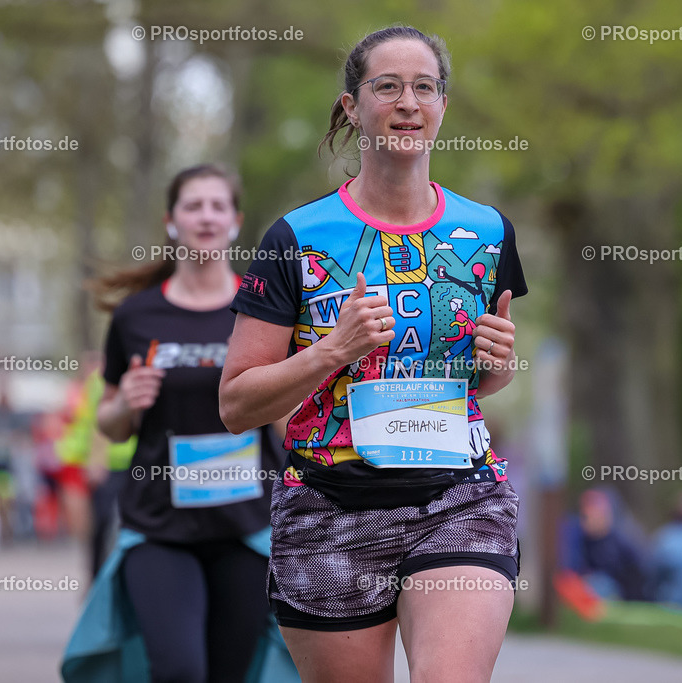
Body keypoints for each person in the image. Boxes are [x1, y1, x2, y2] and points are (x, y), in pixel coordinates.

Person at [219, 26, 527, 683]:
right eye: (387, 86)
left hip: (460, 497)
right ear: (353, 107)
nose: (407, 102)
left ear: (443, 105)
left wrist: (498, 359)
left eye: (424, 87)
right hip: (330, 507)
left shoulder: (487, 231)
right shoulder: (295, 238)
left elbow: (488, 380)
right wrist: (334, 348)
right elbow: (237, 403)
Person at [68, 163, 290, 683]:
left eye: (218, 206)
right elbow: (111, 424)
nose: (206, 217)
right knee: (180, 671)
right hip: (159, 527)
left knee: (230, 673)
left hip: (249, 527)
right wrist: (128, 405)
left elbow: (287, 419)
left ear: (235, 221)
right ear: (172, 221)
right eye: (194, 206)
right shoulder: (136, 317)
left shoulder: (264, 311)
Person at [561, 489, 653, 602]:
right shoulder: (579, 538)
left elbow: (638, 573)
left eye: (595, 516)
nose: (587, 522)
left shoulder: (623, 541)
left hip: (623, 592)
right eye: (585, 516)